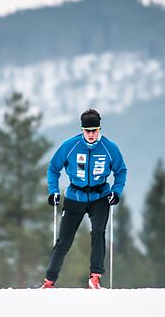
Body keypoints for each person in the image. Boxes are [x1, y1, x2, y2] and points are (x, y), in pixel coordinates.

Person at [42, 109, 127, 289]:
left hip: (100, 196)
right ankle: (49, 281)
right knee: (64, 241)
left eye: (94, 130)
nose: (90, 135)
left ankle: (95, 277)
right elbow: (53, 168)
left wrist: (116, 191)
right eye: (87, 131)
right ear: (82, 130)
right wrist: (53, 191)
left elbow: (120, 171)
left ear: (99, 129)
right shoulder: (69, 146)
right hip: (75, 195)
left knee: (98, 232)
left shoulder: (109, 147)